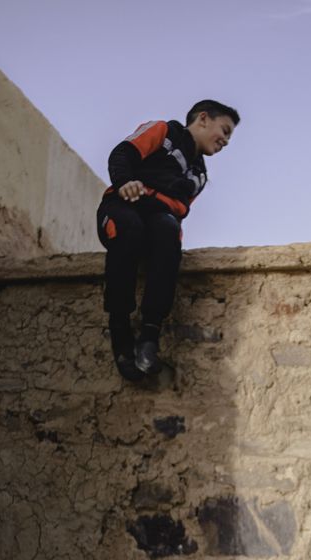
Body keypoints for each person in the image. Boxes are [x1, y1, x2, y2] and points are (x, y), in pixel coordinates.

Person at [96, 99, 239, 382]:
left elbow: (180, 211)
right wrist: (125, 182)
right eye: (224, 130)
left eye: (229, 137)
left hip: (158, 223)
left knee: (167, 231)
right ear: (203, 118)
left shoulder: (199, 176)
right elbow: (123, 153)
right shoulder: (163, 131)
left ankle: (150, 335)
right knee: (129, 228)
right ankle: (120, 331)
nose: (225, 140)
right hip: (123, 207)